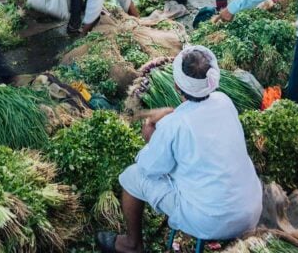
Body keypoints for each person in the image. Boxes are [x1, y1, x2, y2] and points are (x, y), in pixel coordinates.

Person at [97, 47, 262, 253]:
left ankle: (131, 244)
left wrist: (150, 136)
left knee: (132, 176)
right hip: (250, 210)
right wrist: (170, 121)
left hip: (209, 220)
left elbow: (149, 168)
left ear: (176, 86)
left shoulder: (174, 125)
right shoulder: (225, 102)